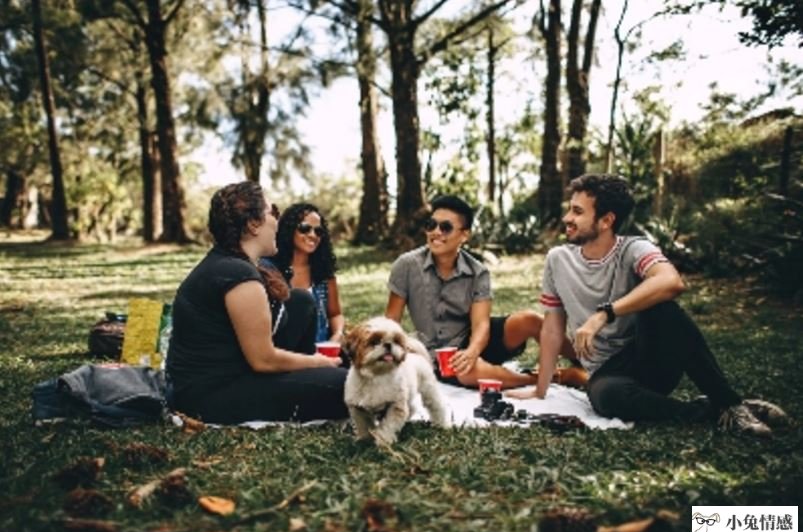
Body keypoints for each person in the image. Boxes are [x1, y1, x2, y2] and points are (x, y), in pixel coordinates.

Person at [510, 173, 788, 436]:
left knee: (663, 308)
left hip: (651, 359)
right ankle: (712, 409)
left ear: (606, 220)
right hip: (608, 374)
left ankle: (730, 404)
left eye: (578, 212)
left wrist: (604, 314)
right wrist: (540, 390)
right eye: (570, 209)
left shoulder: (634, 249)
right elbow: (552, 329)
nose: (567, 218)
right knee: (606, 397)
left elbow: (671, 281)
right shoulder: (558, 260)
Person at [166, 181, 347, 424]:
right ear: (253, 224)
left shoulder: (231, 263)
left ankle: (312, 376)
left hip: (235, 372)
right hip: (212, 396)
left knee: (300, 301)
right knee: (351, 386)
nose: (277, 220)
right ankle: (316, 376)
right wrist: (318, 362)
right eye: (273, 212)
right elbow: (263, 360)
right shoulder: (237, 276)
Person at [385, 195, 582, 389]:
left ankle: (586, 361)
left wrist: (472, 351)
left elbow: (481, 325)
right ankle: (558, 378)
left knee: (529, 320)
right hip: (437, 354)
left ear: (464, 235)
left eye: (445, 227)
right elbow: (391, 321)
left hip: (475, 341)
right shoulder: (407, 265)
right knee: (467, 371)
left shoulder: (477, 271)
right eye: (431, 225)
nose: (436, 232)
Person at [266, 203, 345, 343]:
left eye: (318, 231)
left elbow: (335, 314)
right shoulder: (269, 270)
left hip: (320, 351)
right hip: (283, 353)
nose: (313, 235)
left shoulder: (324, 273)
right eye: (305, 229)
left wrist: (337, 334)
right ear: (289, 230)